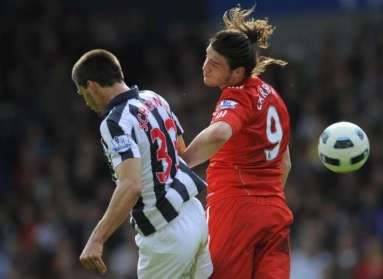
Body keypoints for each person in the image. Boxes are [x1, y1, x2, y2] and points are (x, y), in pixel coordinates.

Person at [71, 49, 212, 279]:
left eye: (82, 93)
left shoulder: (114, 122)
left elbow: (131, 185)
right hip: (194, 215)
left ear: (92, 85)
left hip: (166, 235)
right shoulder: (154, 98)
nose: (85, 101)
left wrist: (97, 239)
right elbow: (181, 152)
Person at [181, 6, 293, 279]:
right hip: (275, 213)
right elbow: (285, 163)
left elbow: (220, 133)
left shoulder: (237, 95)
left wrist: (179, 164)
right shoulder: (273, 97)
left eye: (215, 64)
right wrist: (265, 202)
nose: (205, 67)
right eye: (206, 58)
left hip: (235, 209)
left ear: (236, 72)